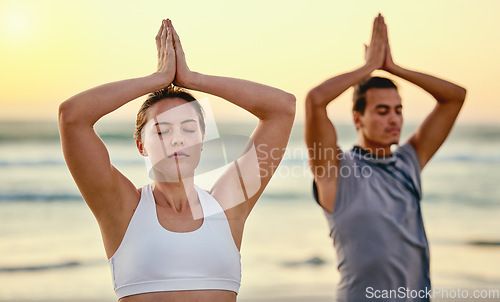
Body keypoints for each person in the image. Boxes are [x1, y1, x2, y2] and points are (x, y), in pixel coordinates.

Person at [58, 19, 295, 302]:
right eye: (161, 130)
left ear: (202, 140)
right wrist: (157, 79)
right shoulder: (122, 209)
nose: (178, 139)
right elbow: (72, 117)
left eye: (189, 128)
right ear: (141, 145)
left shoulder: (228, 205)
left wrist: (192, 79)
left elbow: (283, 108)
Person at [304, 14, 466, 302]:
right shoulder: (335, 169)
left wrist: (394, 68)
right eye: (382, 111)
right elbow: (315, 100)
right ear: (358, 117)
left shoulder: (409, 161)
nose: (394, 119)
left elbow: (455, 97)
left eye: (398, 110)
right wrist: (367, 68)